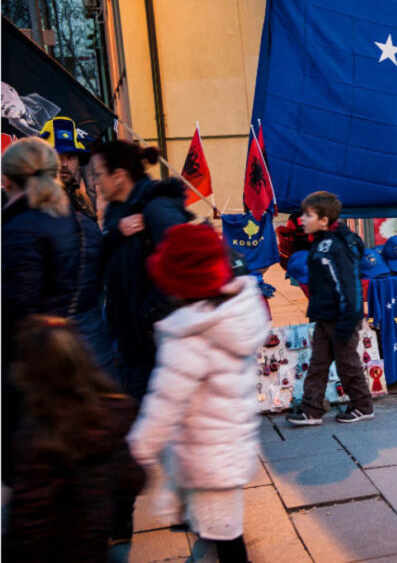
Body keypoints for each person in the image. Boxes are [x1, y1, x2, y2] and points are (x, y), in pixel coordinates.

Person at [127, 223, 268, 563]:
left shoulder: (190, 338)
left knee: (223, 533)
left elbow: (164, 403)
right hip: (230, 444)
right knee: (222, 528)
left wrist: (137, 450)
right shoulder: (235, 313)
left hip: (205, 456)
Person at [2, 138, 117, 486]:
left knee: (48, 471)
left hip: (45, 365)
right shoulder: (82, 222)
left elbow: (15, 310)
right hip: (93, 351)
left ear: (9, 179)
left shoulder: (20, 228)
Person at [4, 316, 145, 562]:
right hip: (94, 543)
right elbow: (133, 479)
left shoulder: (38, 433)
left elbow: (29, 520)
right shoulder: (110, 414)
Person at [93, 140, 191, 402]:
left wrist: (147, 318)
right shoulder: (117, 214)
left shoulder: (157, 209)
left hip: (159, 348)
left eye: (98, 174)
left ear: (119, 176)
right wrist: (115, 233)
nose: (96, 182)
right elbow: (104, 261)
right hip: (131, 347)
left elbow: (186, 268)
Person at [286, 191, 373, 426]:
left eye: (308, 215)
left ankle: (363, 405)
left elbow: (348, 283)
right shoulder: (322, 243)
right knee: (318, 363)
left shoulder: (334, 246)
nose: (302, 219)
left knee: (347, 363)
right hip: (326, 315)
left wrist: (348, 318)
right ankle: (312, 409)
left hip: (341, 316)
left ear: (324, 220)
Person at [37, 116, 98, 220]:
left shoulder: (83, 204)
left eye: (70, 157)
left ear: (78, 162)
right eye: (58, 156)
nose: (64, 164)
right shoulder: (29, 201)